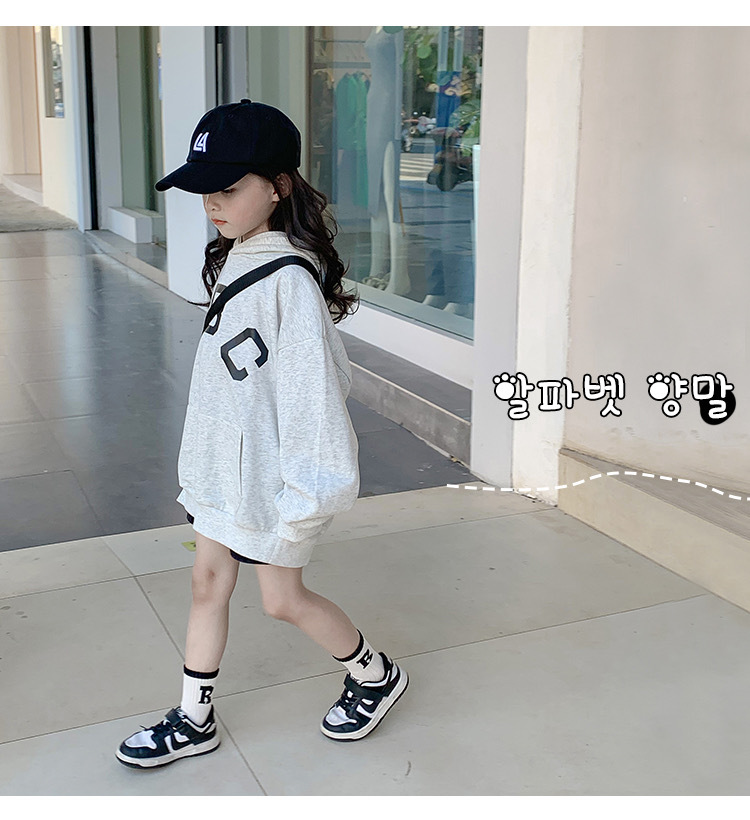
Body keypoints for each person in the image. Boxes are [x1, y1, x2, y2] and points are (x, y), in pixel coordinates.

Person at [115, 99, 408, 769]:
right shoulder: (239, 254)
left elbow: (315, 407)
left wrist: (304, 506)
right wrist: (204, 468)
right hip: (225, 475)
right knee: (207, 582)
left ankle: (374, 674)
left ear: (277, 186)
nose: (212, 203)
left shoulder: (289, 284)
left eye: (228, 187)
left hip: (275, 486)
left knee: (281, 600)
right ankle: (195, 719)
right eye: (204, 190)